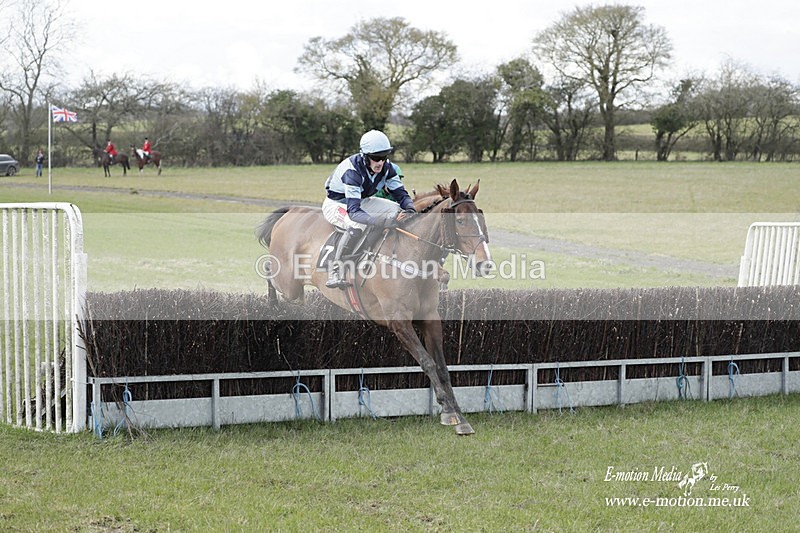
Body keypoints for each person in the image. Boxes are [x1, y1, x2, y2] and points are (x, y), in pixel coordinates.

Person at [322, 129, 416, 289]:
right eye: (376, 158)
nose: (380, 162)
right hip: (337, 204)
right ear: (365, 156)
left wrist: (410, 207)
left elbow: (400, 194)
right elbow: (354, 212)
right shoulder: (352, 172)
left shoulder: (388, 168)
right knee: (358, 224)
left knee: (397, 210)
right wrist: (381, 221)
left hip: (362, 200)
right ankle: (335, 271)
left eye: (384, 157)